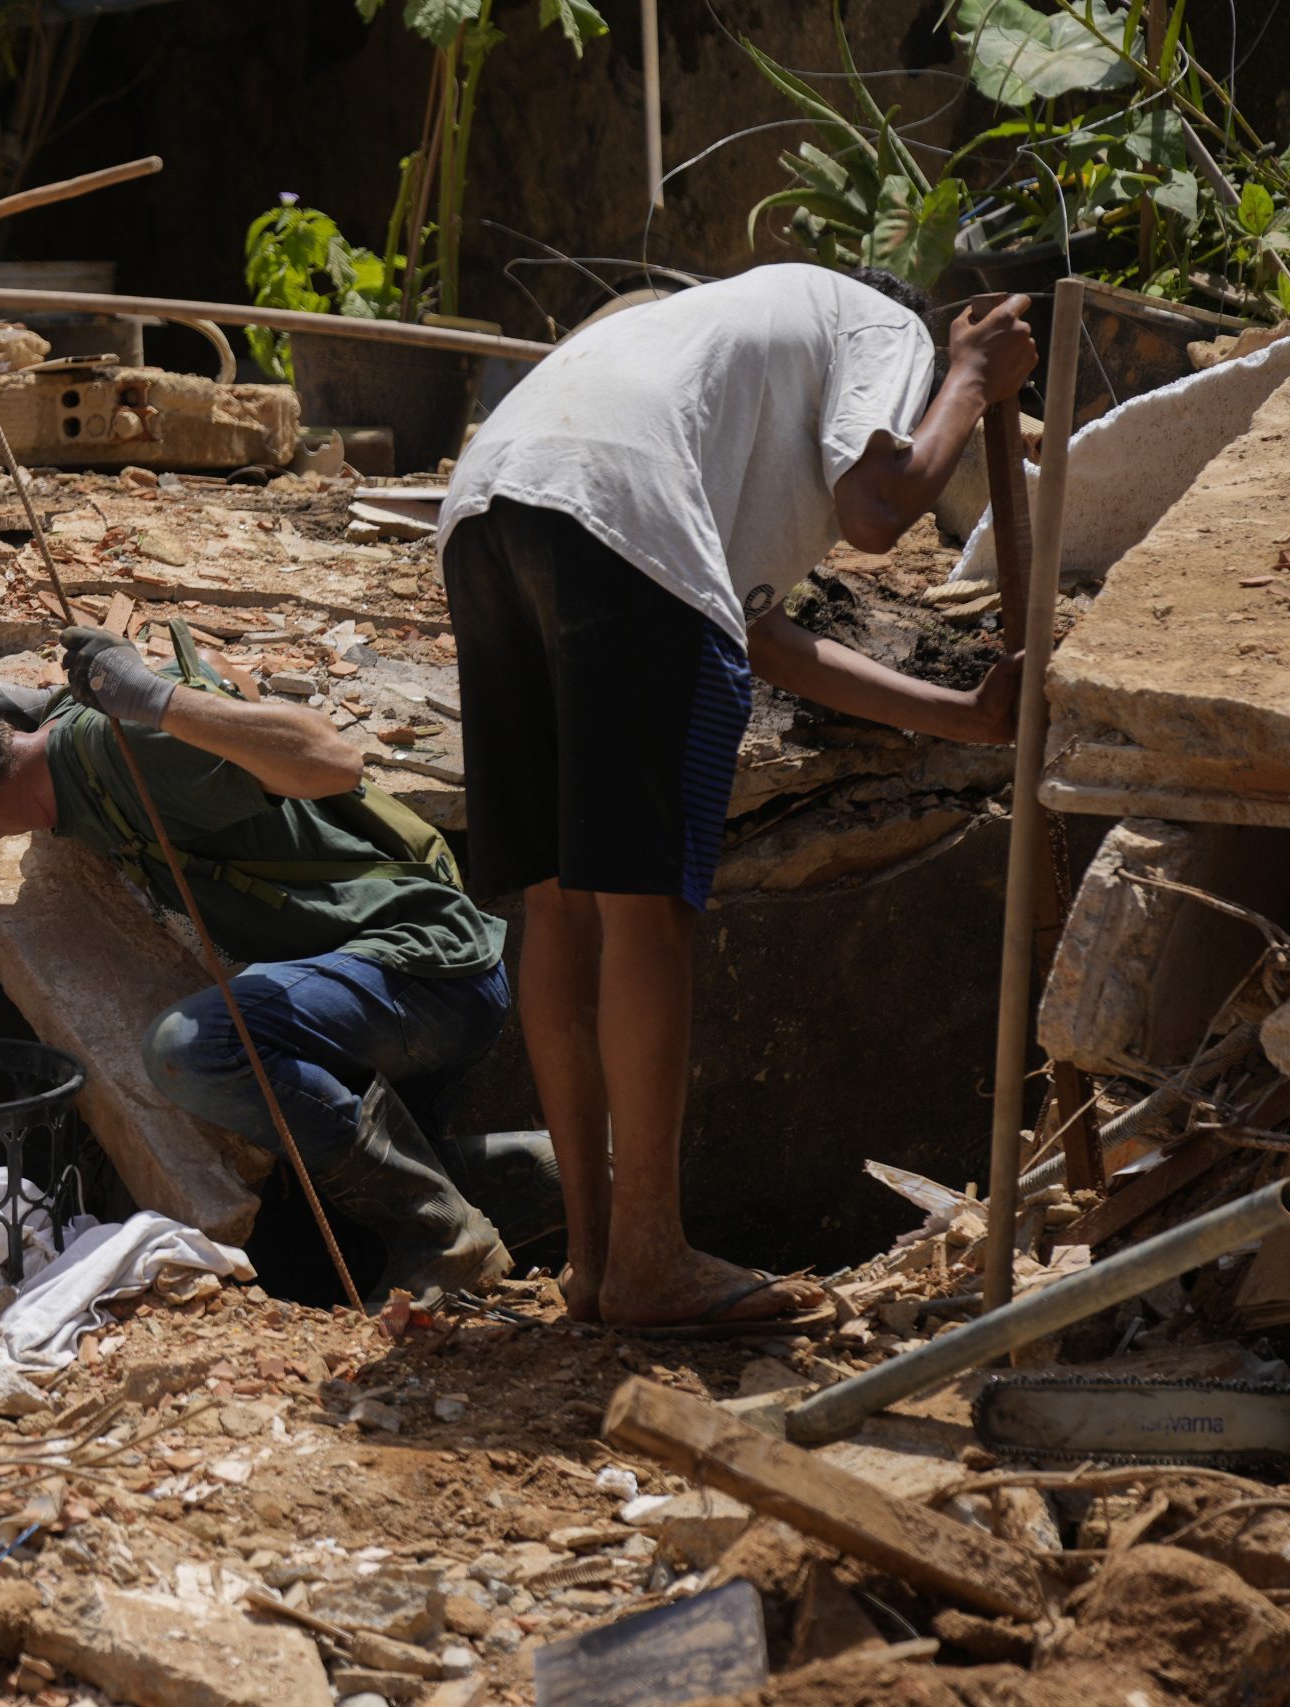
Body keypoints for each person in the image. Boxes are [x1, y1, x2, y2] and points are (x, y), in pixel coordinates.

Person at [432, 263, 1036, 1336]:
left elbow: (747, 631)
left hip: (489, 500)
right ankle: (651, 1255)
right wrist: (974, 378)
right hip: (609, 508)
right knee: (643, 907)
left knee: (562, 902)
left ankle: (595, 1257)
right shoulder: (876, 323)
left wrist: (956, 716)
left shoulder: (713, 363)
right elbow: (880, 507)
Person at [0, 631, 563, 1309]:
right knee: (309, 1239)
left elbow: (332, 758)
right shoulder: (54, 771)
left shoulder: (121, 751)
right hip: (373, 992)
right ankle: (553, 1172)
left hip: (426, 967)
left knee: (195, 1047)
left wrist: (156, 701)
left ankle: (444, 1235)